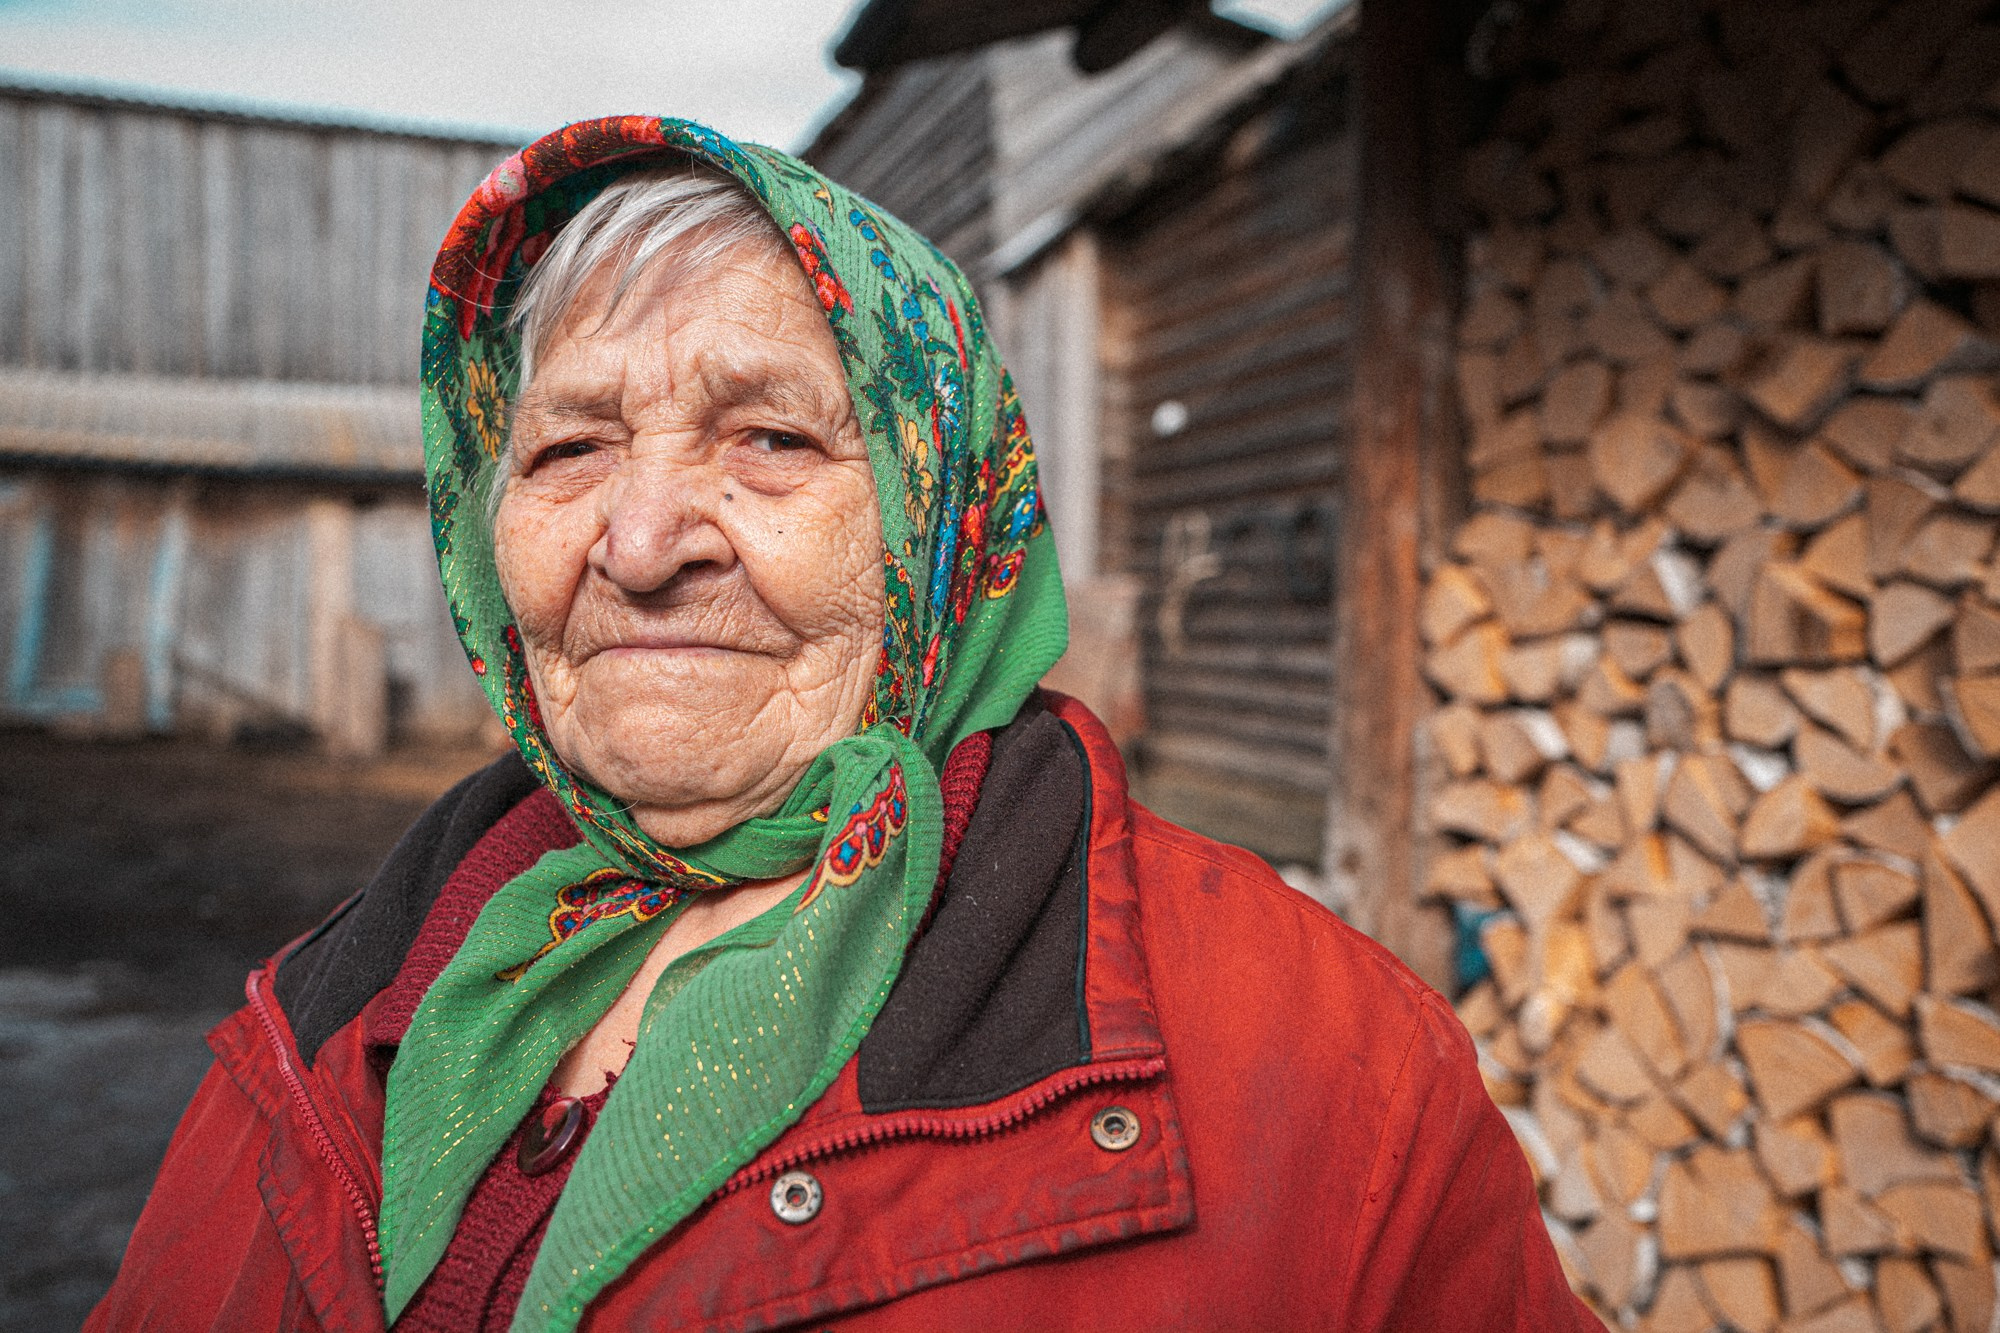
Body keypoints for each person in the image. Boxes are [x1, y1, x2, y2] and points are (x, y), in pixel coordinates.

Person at [91, 116, 1598, 1332]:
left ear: (939, 516)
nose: (640, 538)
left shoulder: (1322, 1069)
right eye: (567, 446)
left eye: (769, 437)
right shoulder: (327, 1012)